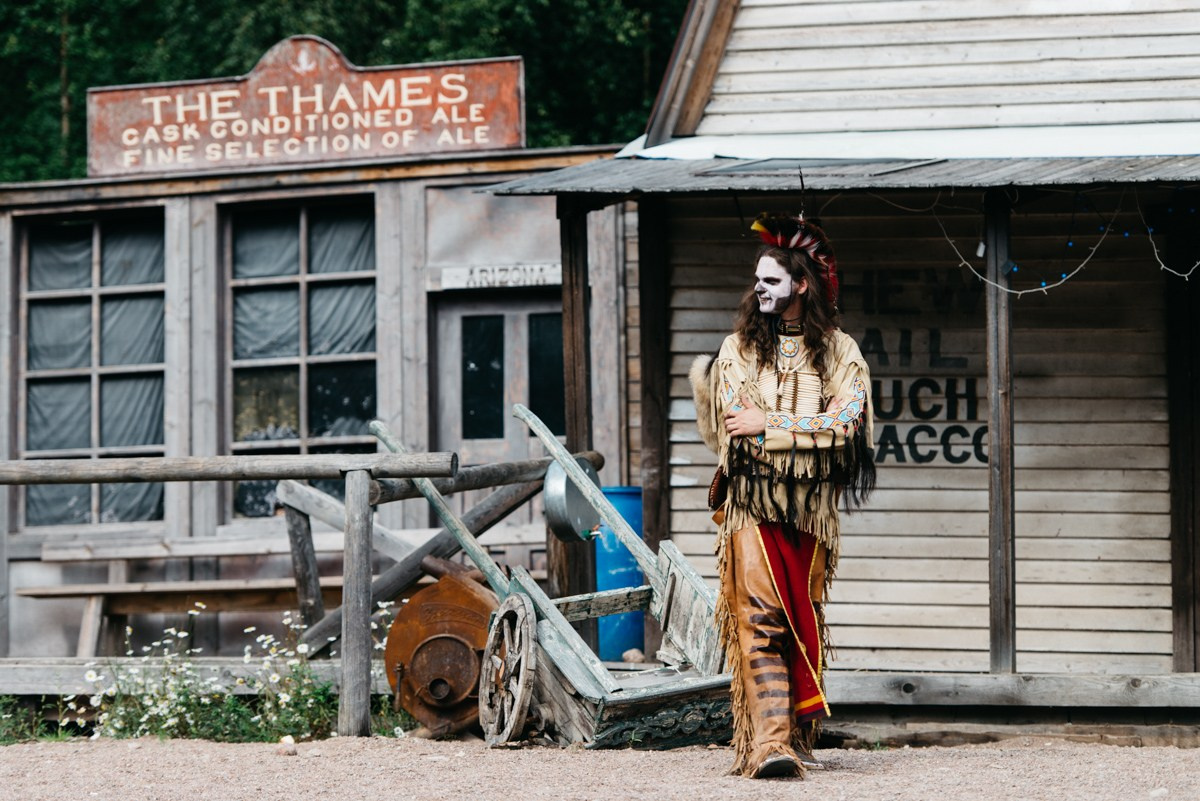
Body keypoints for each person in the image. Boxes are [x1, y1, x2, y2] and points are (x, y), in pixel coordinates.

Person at [689, 212, 875, 779]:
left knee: (803, 616)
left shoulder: (841, 352)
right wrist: (801, 427)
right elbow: (732, 423)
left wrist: (770, 424)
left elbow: (846, 423)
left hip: (812, 514)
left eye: (770, 281)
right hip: (753, 505)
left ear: (801, 285)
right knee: (762, 617)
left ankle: (797, 735)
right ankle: (769, 745)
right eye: (757, 281)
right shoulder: (737, 349)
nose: (758, 290)